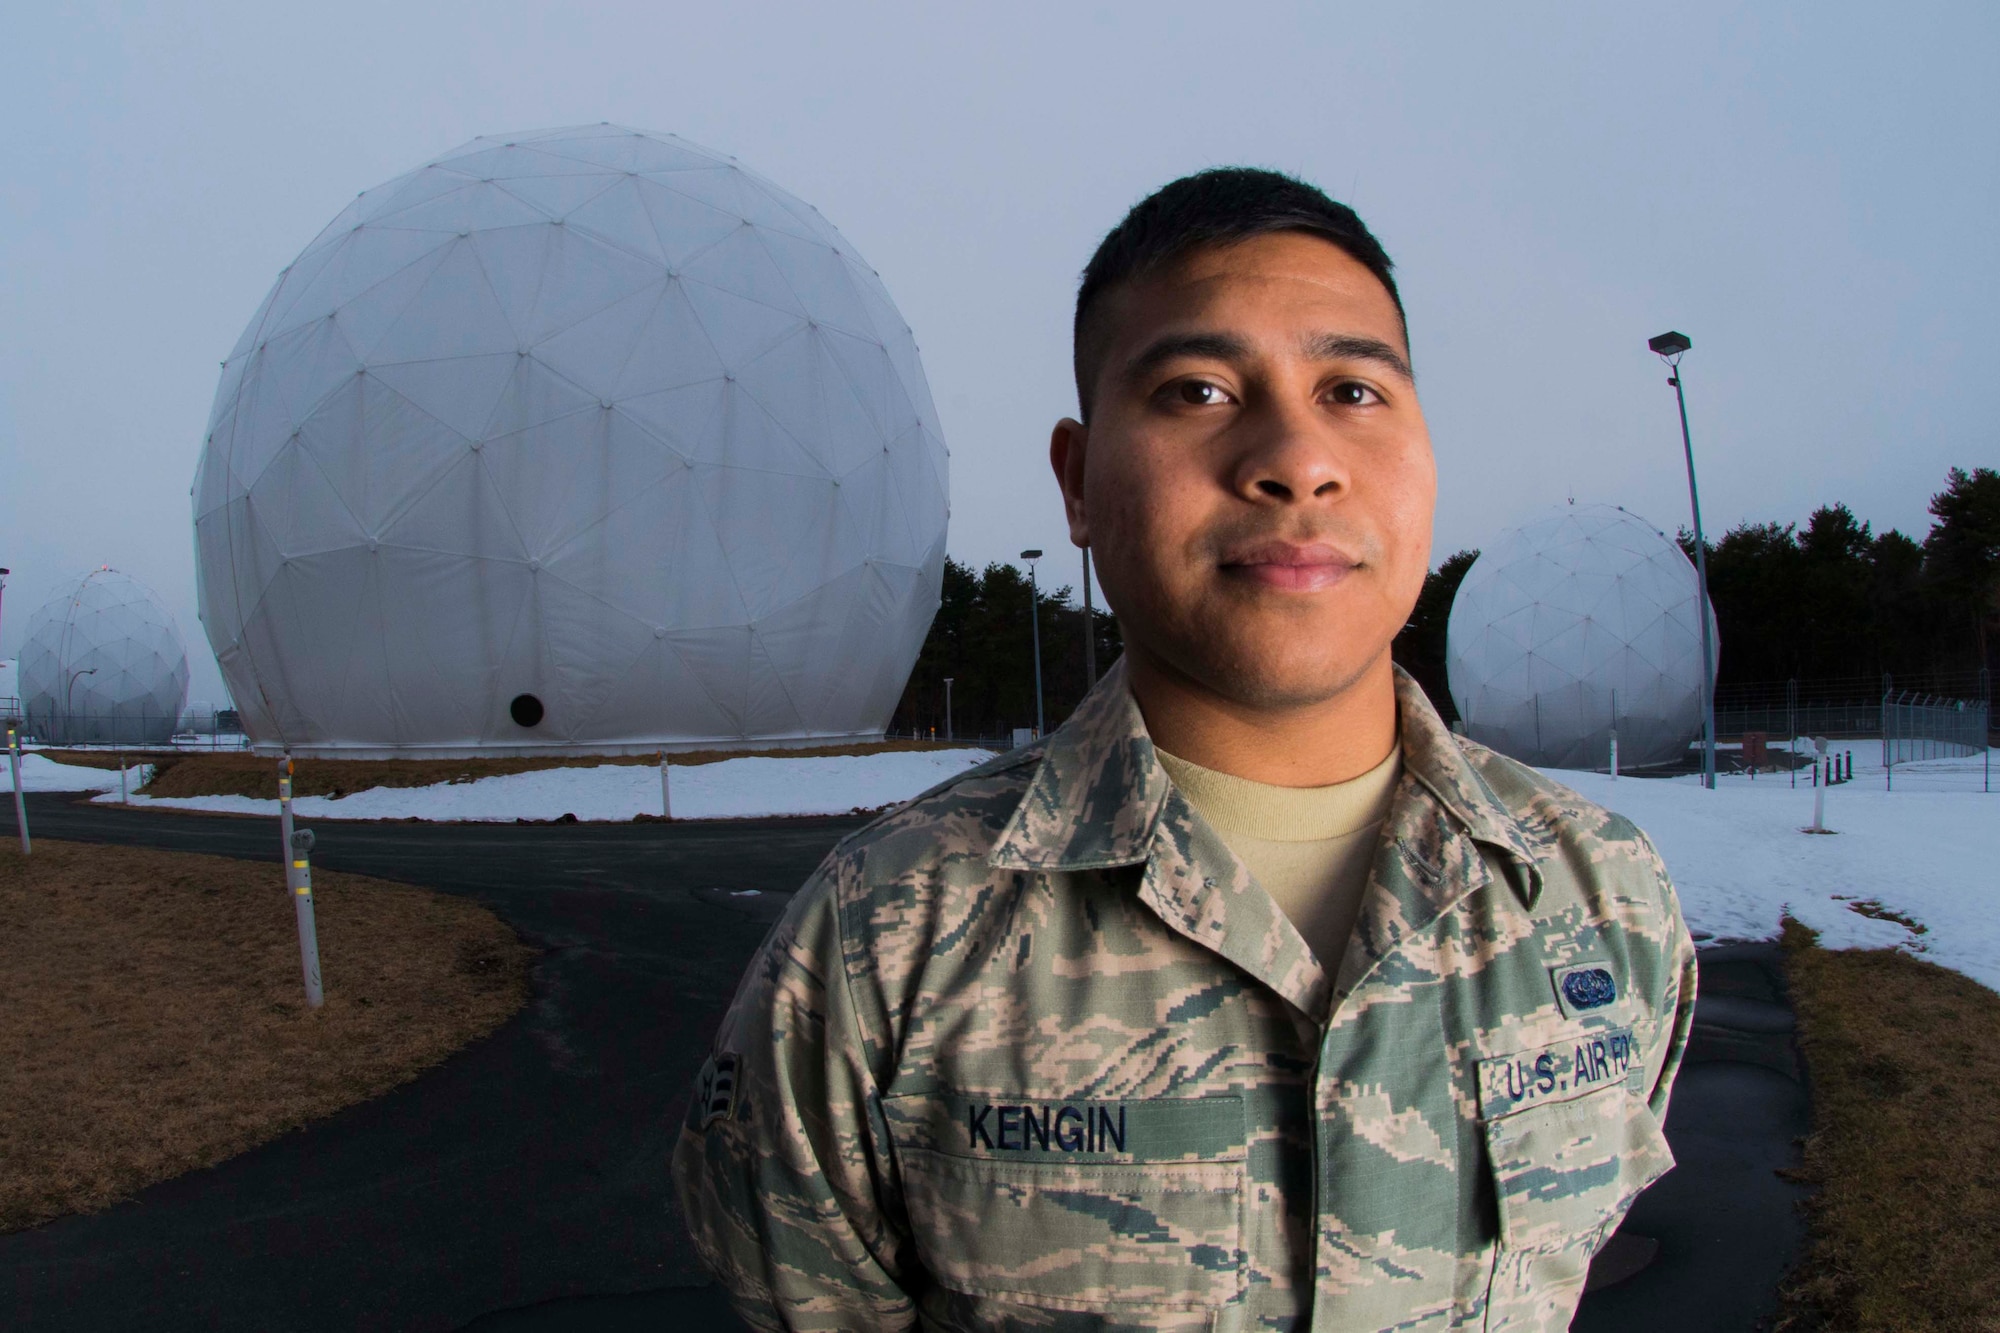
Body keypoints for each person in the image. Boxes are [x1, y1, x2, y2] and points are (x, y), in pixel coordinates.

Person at [674, 167, 1697, 1332]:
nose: (1294, 459)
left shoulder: (1600, 901)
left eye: (1353, 389)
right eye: (1198, 389)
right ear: (1075, 479)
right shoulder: (881, 942)